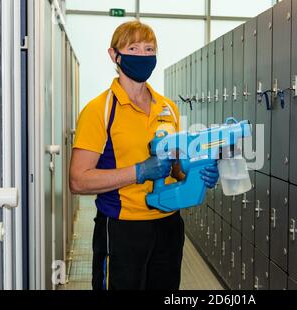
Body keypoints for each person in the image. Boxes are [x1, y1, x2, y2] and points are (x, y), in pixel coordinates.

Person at [69, 20, 219, 290]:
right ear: (114, 55)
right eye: (133, 48)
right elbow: (78, 180)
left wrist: (196, 172)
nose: (142, 55)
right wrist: (139, 171)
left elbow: (174, 168)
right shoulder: (99, 110)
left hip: (168, 225)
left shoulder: (168, 108)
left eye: (149, 48)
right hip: (122, 228)